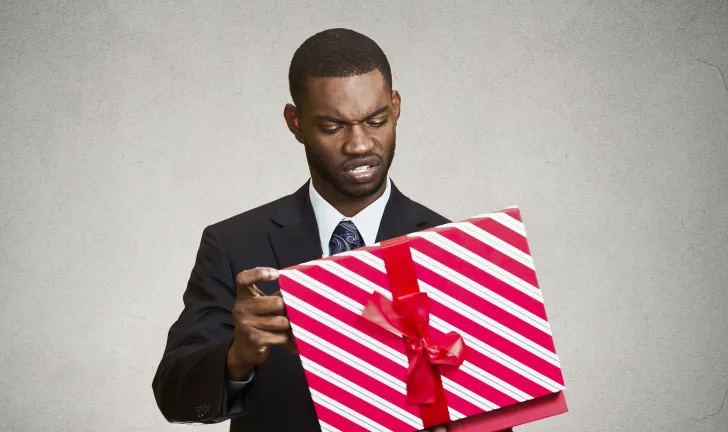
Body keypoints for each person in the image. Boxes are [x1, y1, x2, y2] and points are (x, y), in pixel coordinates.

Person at [151, 28, 514, 432]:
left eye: (376, 120)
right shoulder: (234, 244)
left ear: (395, 108)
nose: (359, 145)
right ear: (296, 123)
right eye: (331, 127)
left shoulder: (456, 251)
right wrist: (236, 356)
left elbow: (496, 413)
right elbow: (173, 395)